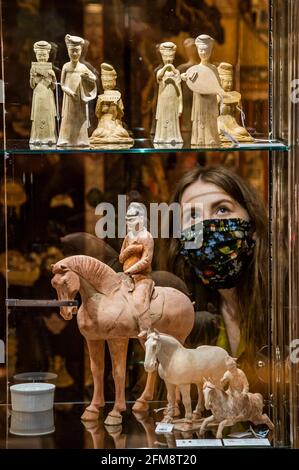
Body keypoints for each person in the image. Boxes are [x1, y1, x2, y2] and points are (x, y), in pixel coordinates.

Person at [167, 165, 268, 383]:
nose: (207, 224)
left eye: (222, 209)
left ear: (253, 225)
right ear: (181, 242)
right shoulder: (184, 317)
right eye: (192, 215)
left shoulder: (285, 308)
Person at [119, 202, 154, 337]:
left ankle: (146, 328)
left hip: (141, 277)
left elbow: (146, 261)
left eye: (132, 218)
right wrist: (131, 249)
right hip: (126, 276)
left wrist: (130, 271)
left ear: (141, 218)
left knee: (139, 300)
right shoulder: (128, 237)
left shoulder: (147, 237)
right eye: (127, 218)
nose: (128, 222)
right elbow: (121, 258)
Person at [57, 34, 97, 147]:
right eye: (72, 51)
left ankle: (82, 140)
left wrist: (88, 77)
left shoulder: (83, 67)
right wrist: (69, 92)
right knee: (68, 118)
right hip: (69, 98)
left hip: (80, 97)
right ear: (68, 51)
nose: (74, 54)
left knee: (81, 118)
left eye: (77, 51)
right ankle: (65, 139)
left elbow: (94, 78)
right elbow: (62, 84)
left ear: (81, 51)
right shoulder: (66, 66)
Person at [154, 42, 183, 144]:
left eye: (170, 56)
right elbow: (159, 77)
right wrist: (166, 67)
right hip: (163, 99)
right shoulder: (160, 72)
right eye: (166, 56)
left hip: (173, 100)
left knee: (172, 118)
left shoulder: (176, 73)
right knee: (163, 117)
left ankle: (173, 137)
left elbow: (179, 90)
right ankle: (161, 137)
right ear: (162, 56)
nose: (168, 59)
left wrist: (180, 106)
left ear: (174, 57)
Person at [29, 41, 56, 145]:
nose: (42, 57)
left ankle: (50, 137)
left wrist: (52, 77)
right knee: (38, 115)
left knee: (48, 114)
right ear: (36, 55)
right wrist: (32, 76)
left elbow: (53, 86)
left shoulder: (50, 68)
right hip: (38, 93)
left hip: (47, 94)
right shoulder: (33, 67)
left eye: (44, 55)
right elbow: (32, 85)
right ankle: (37, 138)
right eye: (39, 55)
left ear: (48, 55)